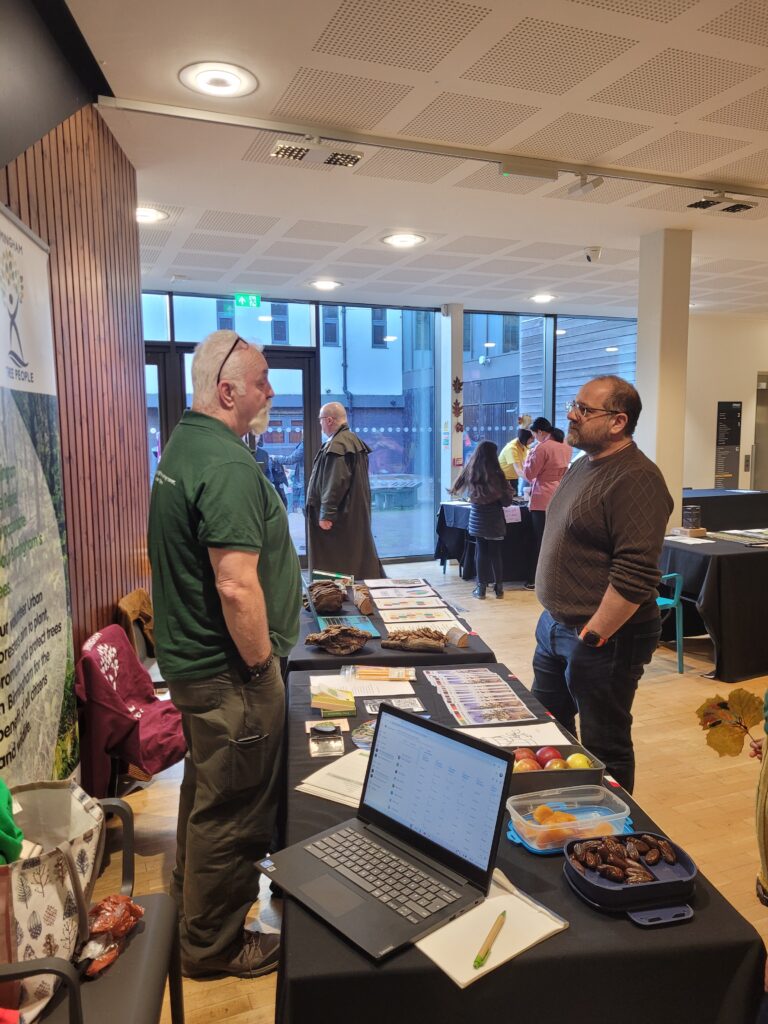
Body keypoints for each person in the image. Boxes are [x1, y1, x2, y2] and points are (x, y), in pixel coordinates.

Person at [147, 330, 301, 979]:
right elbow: (236, 585)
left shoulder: (183, 443)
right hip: (231, 674)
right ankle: (212, 947)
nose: (272, 392)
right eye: (263, 380)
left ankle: (191, 908)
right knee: (236, 809)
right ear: (227, 388)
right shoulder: (228, 462)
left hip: (196, 667)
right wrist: (264, 668)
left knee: (208, 795)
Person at [531, 375, 672, 794]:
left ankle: (608, 831)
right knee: (550, 727)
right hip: (556, 627)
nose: (571, 414)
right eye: (574, 404)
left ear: (617, 422)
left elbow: (636, 572)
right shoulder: (583, 465)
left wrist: (594, 635)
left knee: (604, 743)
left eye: (584, 410)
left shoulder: (637, 477)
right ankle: (560, 802)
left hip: (603, 636)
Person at [306, 402, 383, 579]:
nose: (320, 425)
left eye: (321, 420)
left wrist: (326, 513)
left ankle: (332, 593)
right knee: (354, 555)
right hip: (351, 514)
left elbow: (335, 482)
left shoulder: (339, 444)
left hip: (340, 518)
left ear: (330, 420)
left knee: (337, 560)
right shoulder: (350, 440)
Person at [449, 440, 513, 599]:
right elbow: (506, 502)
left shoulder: (471, 470)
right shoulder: (498, 474)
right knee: (496, 553)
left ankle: (481, 589)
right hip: (495, 520)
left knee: (481, 552)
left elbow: (455, 488)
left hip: (477, 519)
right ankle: (499, 589)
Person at [522, 417, 573, 588]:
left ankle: (536, 580)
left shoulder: (541, 448)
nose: (534, 437)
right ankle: (556, 579)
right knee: (557, 540)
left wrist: (528, 459)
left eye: (534, 434)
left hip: (543, 496)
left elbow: (529, 474)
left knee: (540, 540)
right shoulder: (566, 445)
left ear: (541, 432)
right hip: (561, 493)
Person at [498, 428, 533, 493]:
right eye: (531, 438)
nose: (533, 441)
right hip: (505, 479)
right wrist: (532, 481)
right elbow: (518, 471)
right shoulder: (511, 448)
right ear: (525, 438)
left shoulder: (524, 445)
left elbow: (523, 463)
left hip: (513, 478)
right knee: (509, 500)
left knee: (514, 498)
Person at [276, 439, 305, 512]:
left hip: (305, 480)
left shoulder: (306, 442)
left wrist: (275, 458)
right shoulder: (324, 439)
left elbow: (291, 459)